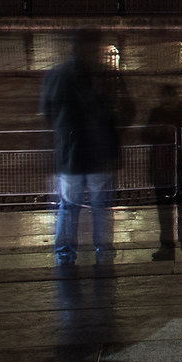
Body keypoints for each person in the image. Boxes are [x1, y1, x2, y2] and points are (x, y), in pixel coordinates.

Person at [40, 29, 124, 266]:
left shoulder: (56, 75)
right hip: (99, 153)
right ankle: (103, 251)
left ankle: (65, 255)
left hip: (70, 153)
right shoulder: (104, 75)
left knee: (68, 207)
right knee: (100, 207)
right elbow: (123, 109)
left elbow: (47, 113)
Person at [144, 84, 182, 258]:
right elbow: (145, 136)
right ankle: (169, 245)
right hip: (164, 168)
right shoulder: (158, 114)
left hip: (181, 167)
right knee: (167, 209)